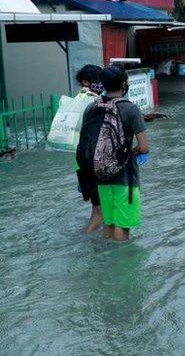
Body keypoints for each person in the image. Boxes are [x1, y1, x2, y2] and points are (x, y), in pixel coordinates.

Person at [79, 66, 149, 242]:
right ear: (124, 83)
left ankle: (106, 262)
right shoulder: (131, 109)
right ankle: (122, 266)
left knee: (109, 225)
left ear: (102, 84)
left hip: (100, 177)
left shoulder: (91, 108)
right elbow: (144, 147)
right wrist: (128, 153)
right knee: (123, 227)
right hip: (126, 178)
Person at [74, 64, 105, 233]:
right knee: (98, 213)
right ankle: (85, 241)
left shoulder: (81, 101)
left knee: (98, 209)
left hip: (83, 159)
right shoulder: (90, 101)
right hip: (97, 161)